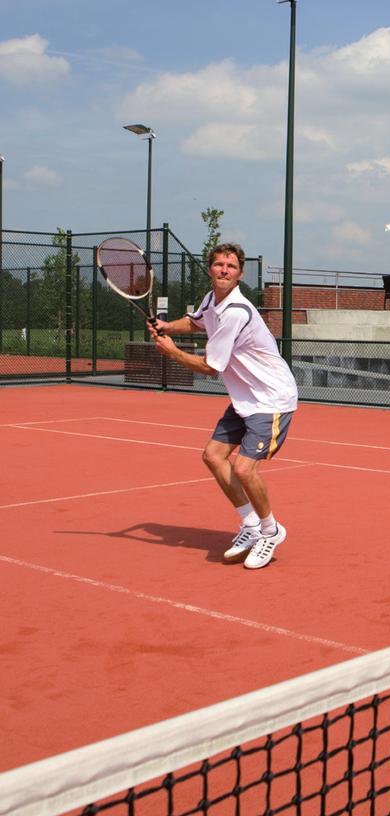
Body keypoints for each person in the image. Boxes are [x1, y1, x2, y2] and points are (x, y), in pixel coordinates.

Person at [147, 242, 298, 570]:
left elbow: (211, 367)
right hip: (245, 398)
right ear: (211, 269)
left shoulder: (235, 312)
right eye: (218, 265)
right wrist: (168, 327)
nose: (224, 270)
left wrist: (171, 351)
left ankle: (271, 531)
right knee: (213, 456)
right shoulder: (212, 301)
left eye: (230, 266)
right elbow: (197, 322)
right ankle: (250, 523)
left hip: (271, 398)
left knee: (244, 467)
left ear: (240, 274)